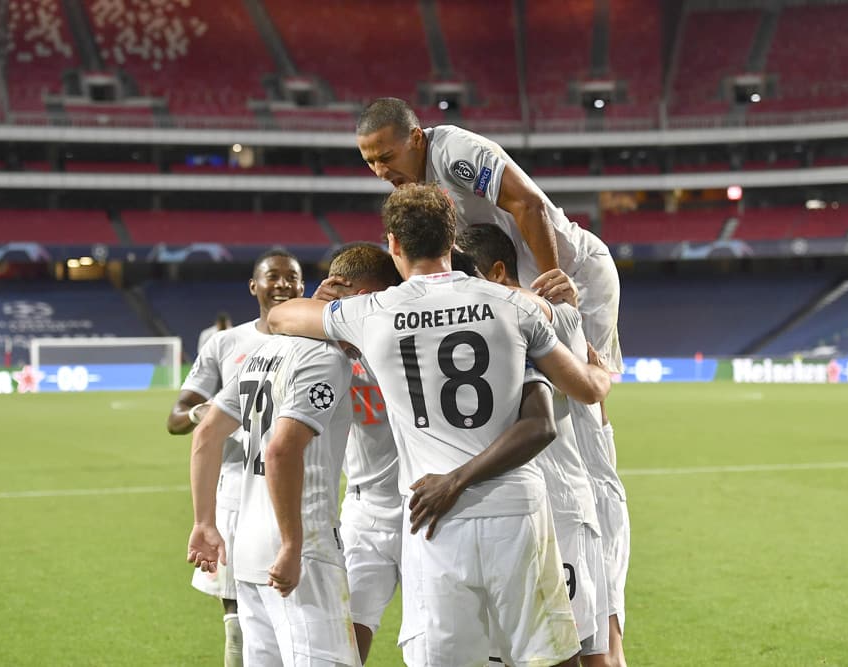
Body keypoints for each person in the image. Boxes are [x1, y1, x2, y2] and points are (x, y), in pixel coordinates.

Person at [268, 183, 612, 666]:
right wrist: (599, 368)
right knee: (552, 657)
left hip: (432, 518)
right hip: (518, 508)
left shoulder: (371, 313)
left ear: (393, 243)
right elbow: (588, 390)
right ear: (452, 241)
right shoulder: (512, 305)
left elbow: (281, 317)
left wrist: (324, 298)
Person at [353, 97, 624, 381]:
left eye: (386, 157)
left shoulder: (453, 153)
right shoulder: (413, 186)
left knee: (582, 393)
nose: (380, 172)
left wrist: (551, 279)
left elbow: (528, 204)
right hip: (524, 289)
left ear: (416, 138)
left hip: (573, 271)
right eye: (370, 162)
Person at [459, 224, 629, 667]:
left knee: (592, 650)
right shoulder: (493, 323)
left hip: (566, 505)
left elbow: (591, 391)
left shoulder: (547, 318)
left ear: (496, 273)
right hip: (514, 508)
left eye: (464, 275)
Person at [186, 319, 361, 665]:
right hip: (301, 544)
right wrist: (293, 544)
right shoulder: (325, 357)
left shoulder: (260, 354)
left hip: (247, 546)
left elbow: (206, 433)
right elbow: (281, 451)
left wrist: (204, 522)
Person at [166, 248, 305, 667]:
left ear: (303, 285)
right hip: (237, 489)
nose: (283, 284)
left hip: (298, 489)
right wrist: (200, 413)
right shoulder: (227, 344)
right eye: (273, 277)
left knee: (293, 615)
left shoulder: (314, 340)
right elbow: (175, 418)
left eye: (292, 277)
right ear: (254, 286)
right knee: (239, 624)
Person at [313, 243, 405, 663]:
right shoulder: (321, 349)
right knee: (344, 638)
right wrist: (315, 316)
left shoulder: (410, 336)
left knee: (442, 639)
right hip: (364, 514)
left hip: (428, 509)